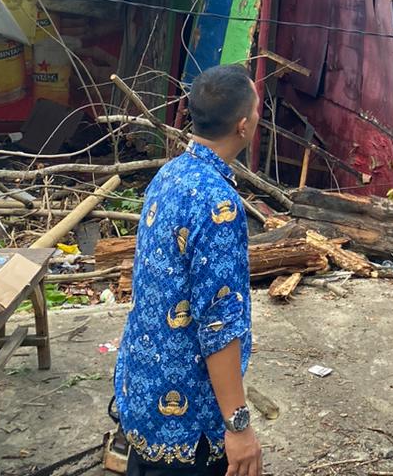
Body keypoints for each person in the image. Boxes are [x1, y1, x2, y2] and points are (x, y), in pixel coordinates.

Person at [114, 65, 263, 476]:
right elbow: (219, 326)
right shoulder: (218, 206)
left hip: (143, 393)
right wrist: (239, 426)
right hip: (188, 418)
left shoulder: (168, 176)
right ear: (244, 125)